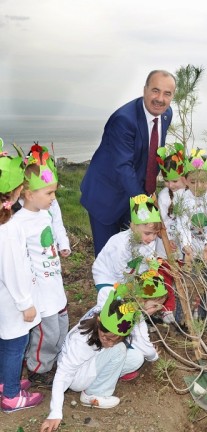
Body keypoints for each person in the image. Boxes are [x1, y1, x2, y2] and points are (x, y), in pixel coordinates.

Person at [80, 70, 176, 256]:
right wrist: (146, 207)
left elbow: (153, 151)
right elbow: (123, 167)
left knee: (134, 255)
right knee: (109, 256)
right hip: (107, 196)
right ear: (144, 90)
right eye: (155, 91)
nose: (160, 99)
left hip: (134, 193)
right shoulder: (124, 120)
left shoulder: (166, 114)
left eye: (167, 93)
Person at [39, 286, 143, 432]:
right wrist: (55, 412)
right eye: (106, 337)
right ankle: (93, 394)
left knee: (136, 358)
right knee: (119, 350)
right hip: (78, 376)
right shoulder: (81, 341)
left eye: (116, 339)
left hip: (93, 360)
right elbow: (63, 374)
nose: (109, 343)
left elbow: (108, 292)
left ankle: (103, 379)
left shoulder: (107, 314)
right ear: (99, 324)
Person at [13, 144, 68, 387]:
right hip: (40, 289)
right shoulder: (18, 223)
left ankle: (57, 359)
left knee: (62, 324)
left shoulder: (45, 214)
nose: (53, 198)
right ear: (28, 194)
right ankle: (38, 367)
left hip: (54, 281)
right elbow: (18, 260)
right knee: (47, 331)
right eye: (49, 193)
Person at [0, 140, 44, 412]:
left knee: (4, 343)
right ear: (16, 192)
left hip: (3, 300)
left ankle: (6, 381)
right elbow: (13, 270)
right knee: (16, 345)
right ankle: (11, 396)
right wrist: (25, 303)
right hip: (12, 302)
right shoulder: (9, 229)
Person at [92, 194, 175, 323]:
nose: (152, 238)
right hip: (108, 277)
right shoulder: (121, 244)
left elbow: (146, 264)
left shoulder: (149, 242)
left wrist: (149, 274)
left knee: (137, 300)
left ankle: (134, 319)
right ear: (133, 226)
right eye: (147, 233)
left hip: (130, 276)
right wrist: (132, 291)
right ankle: (106, 321)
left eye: (155, 234)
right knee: (113, 302)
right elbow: (120, 272)